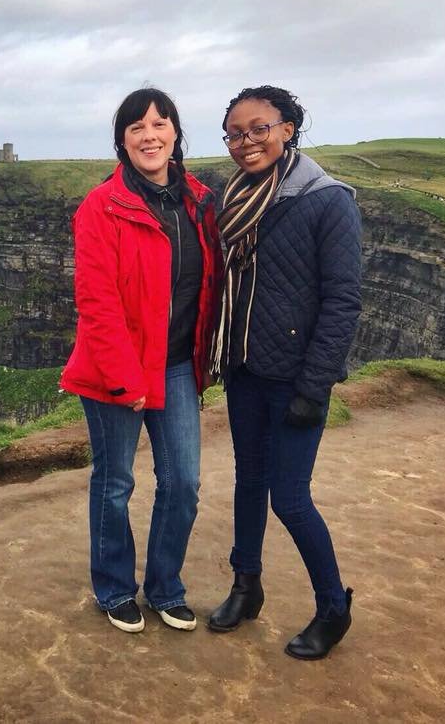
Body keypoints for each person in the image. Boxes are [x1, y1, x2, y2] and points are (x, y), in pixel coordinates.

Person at [60, 88, 223, 633]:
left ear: (175, 132)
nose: (149, 135)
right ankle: (113, 589)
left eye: (160, 123)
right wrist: (126, 378)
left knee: (183, 483)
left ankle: (164, 588)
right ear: (122, 142)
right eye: (136, 128)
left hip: (176, 365)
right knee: (115, 482)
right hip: (117, 368)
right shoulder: (100, 207)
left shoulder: (199, 201)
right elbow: (96, 302)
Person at [207, 85, 362, 660]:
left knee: (290, 498)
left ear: (288, 127)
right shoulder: (237, 196)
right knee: (249, 483)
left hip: (297, 378)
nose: (246, 142)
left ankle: (333, 608)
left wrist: (315, 384)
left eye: (258, 129)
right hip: (247, 370)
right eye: (235, 133)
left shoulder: (327, 200)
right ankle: (246, 586)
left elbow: (343, 301)